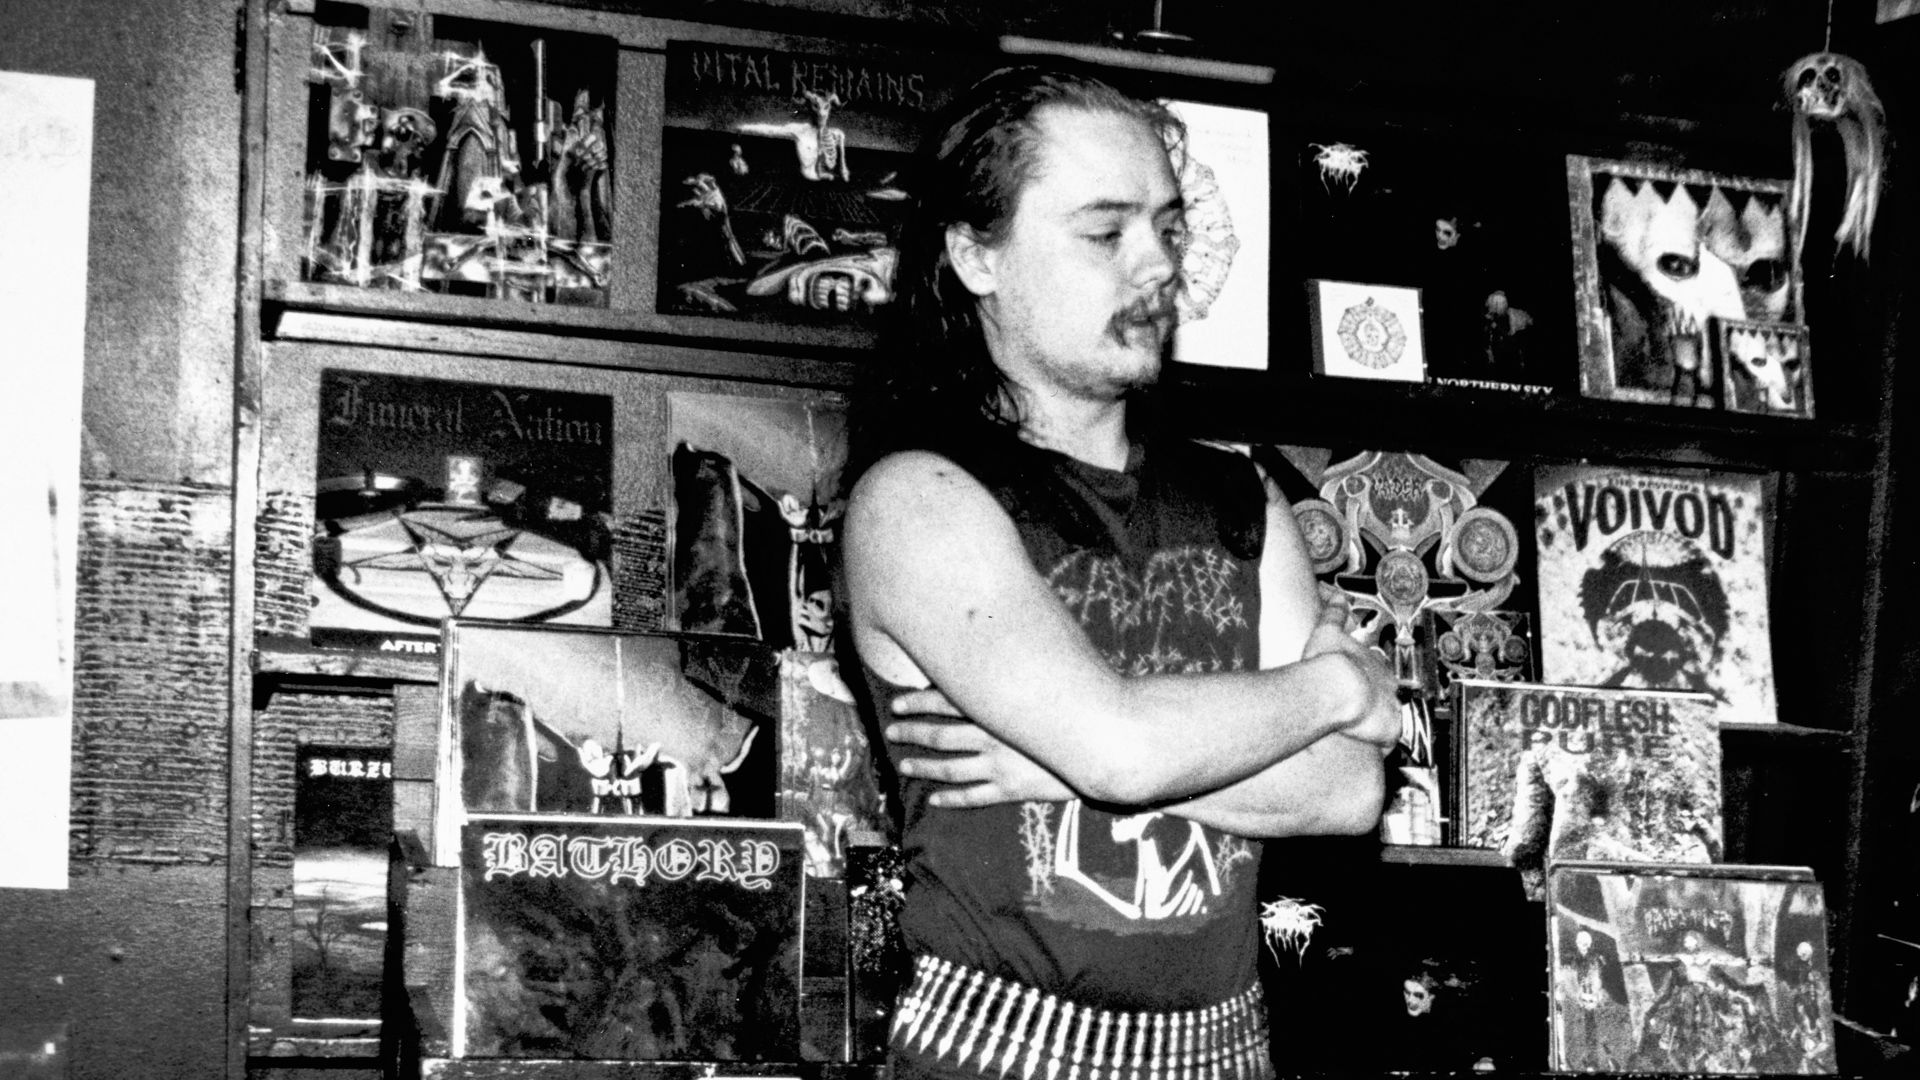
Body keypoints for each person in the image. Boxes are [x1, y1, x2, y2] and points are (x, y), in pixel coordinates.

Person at [838, 65, 1404, 1080]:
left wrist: (1050, 765)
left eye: (1168, 228)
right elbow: (1119, 750)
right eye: (1105, 233)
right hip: (996, 1059)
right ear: (976, 255)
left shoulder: (1241, 496)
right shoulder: (917, 499)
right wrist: (1340, 687)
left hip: (1226, 1057)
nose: (1156, 266)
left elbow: (1347, 789)